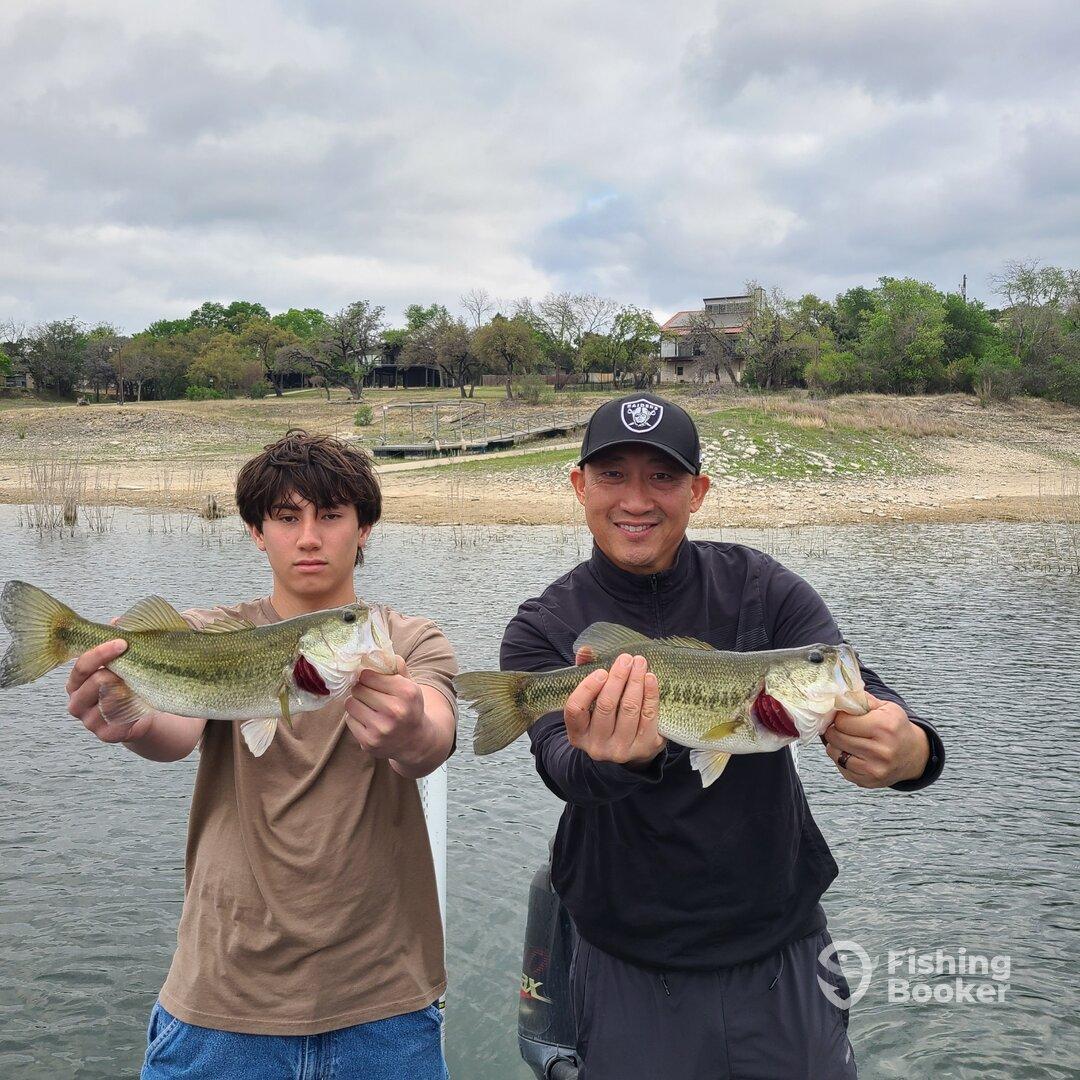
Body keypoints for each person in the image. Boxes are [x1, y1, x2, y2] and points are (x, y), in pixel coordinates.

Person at [500, 393, 945, 1080]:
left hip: (783, 951)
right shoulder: (543, 626)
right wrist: (623, 760)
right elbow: (561, 765)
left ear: (699, 491)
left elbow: (864, 687)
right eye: (613, 474)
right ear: (579, 485)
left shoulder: (762, 588)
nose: (637, 500)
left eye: (664, 477)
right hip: (628, 962)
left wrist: (911, 750)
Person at [64, 430, 457, 1080]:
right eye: (286, 517)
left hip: (384, 1006)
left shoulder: (411, 640)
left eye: (330, 516)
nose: (309, 537)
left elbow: (431, 736)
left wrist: (409, 727)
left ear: (364, 528)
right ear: (256, 530)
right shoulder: (208, 635)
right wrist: (127, 716)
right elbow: (175, 728)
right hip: (221, 998)